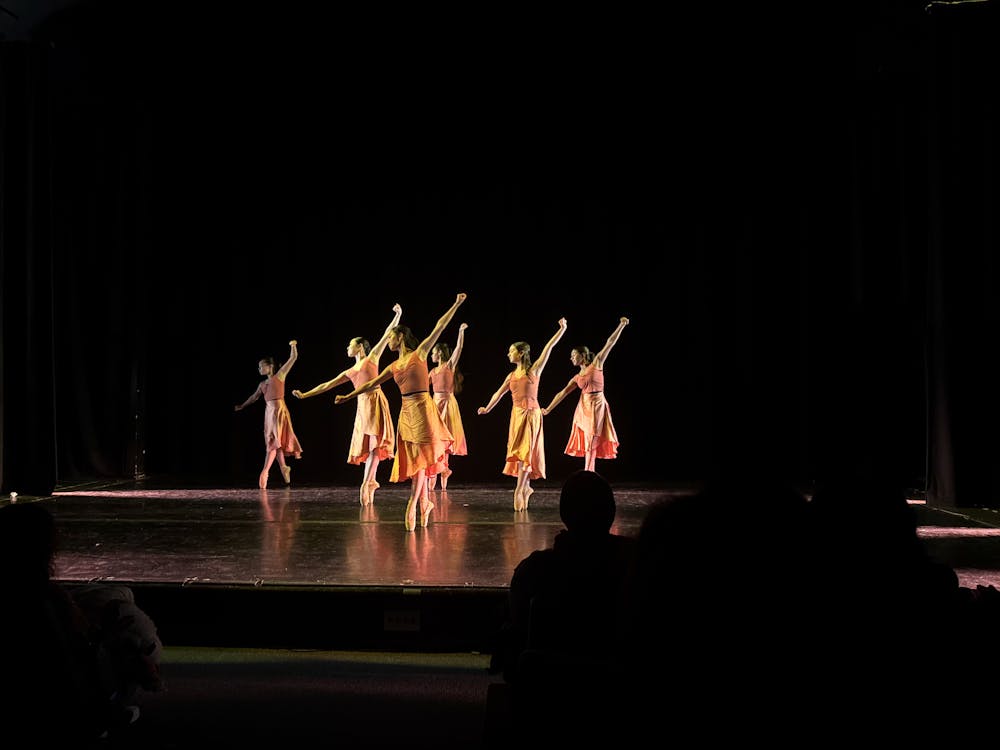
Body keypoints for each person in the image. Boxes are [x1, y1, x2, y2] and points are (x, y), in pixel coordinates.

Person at [334, 293, 467, 531]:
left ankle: (415, 502)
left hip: (424, 409)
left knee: (423, 459)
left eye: (391, 338)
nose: (389, 341)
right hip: (406, 413)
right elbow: (369, 385)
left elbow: (440, 325)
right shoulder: (393, 365)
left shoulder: (421, 353)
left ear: (401, 337)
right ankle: (424, 502)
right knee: (416, 460)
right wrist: (348, 396)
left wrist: (456, 303)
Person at [293, 304, 402, 506]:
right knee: (369, 446)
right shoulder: (350, 371)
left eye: (350, 345)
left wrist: (398, 315)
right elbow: (328, 385)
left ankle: (367, 482)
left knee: (375, 445)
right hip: (362, 407)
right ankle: (370, 481)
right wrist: (305, 394)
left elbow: (387, 335)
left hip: (376, 402)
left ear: (360, 347)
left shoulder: (372, 357)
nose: (347, 348)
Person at [477, 318, 567, 511]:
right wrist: (487, 407)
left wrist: (562, 329)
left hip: (531, 415)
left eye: (511, 351)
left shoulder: (534, 370)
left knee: (526, 452)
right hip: (516, 416)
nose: (508, 354)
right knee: (519, 454)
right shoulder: (511, 376)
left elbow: (548, 348)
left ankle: (519, 489)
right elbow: (499, 393)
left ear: (521, 353)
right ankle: (526, 487)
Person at [542, 316, 629, 471]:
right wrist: (548, 409)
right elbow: (562, 393)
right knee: (588, 439)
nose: (571, 358)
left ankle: (589, 471)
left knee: (592, 439)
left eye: (573, 355)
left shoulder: (597, 364)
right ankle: (589, 471)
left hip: (597, 405)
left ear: (582, 355)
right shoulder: (577, 377)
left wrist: (621, 325)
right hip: (584, 408)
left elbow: (610, 343)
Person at [235, 340, 304, 489]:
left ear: (270, 366)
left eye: (261, 366)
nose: (259, 368)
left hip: (279, 411)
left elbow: (293, 358)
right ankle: (284, 467)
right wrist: (242, 405)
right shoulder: (262, 384)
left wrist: (293, 345)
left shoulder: (280, 376)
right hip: (269, 412)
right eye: (259, 366)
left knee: (273, 443)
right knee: (275, 442)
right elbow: (254, 397)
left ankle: (265, 472)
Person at [427, 322, 469, 491]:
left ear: (440, 354)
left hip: (448, 404)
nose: (431, 355)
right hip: (435, 404)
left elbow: (459, 348)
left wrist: (461, 332)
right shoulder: (432, 372)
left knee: (444, 439)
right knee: (435, 439)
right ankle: (440, 469)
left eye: (433, 353)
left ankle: (443, 469)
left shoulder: (449, 366)